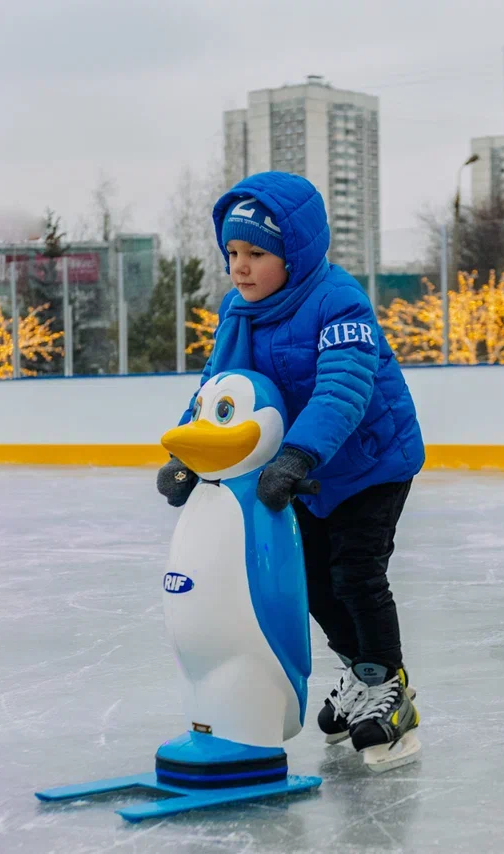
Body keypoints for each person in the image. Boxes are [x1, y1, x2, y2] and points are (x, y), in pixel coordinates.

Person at [156, 172, 426, 770]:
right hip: (301, 472)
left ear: (294, 252)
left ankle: (390, 689)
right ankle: (363, 674)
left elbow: (344, 388)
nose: (240, 268)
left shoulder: (339, 300)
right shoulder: (239, 312)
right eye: (232, 254)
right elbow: (218, 390)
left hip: (369, 464)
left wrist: (299, 454)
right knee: (314, 584)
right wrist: (186, 457)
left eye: (256, 253)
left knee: (356, 574)